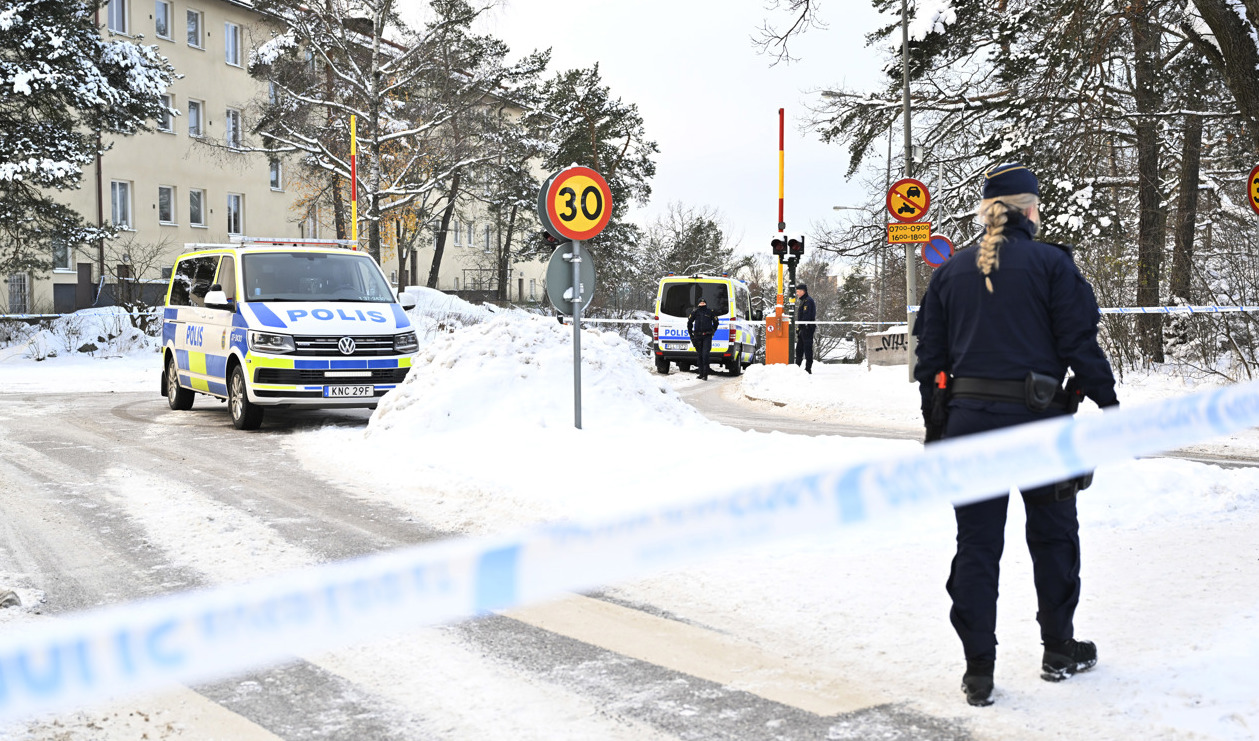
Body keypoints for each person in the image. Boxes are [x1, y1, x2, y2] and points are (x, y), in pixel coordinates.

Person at [912, 162, 1119, 707]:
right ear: (1029, 210)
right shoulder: (1052, 264)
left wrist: (939, 428)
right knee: (1052, 536)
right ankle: (1058, 649)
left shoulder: (950, 272)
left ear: (987, 213)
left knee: (976, 546)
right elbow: (1080, 342)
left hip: (969, 426)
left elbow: (928, 361)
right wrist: (1108, 401)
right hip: (1041, 425)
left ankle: (978, 669)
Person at [687, 296, 719, 380]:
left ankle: (705, 374)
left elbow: (716, 322)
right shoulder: (695, 312)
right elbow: (689, 323)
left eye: (703, 303)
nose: (702, 304)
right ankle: (701, 374)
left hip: (707, 336)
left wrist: (713, 330)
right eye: (700, 303)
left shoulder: (710, 312)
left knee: (705, 354)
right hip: (697, 336)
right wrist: (691, 335)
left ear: (706, 304)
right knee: (699, 355)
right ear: (698, 304)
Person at [794, 284, 817, 373]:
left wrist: (802, 326)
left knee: (807, 348)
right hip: (803, 328)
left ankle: (808, 369)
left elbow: (806, 316)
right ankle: (797, 367)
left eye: (798, 291)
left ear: (803, 291)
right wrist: (799, 328)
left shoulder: (808, 301)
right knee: (799, 348)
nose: (797, 293)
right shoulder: (803, 301)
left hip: (807, 328)